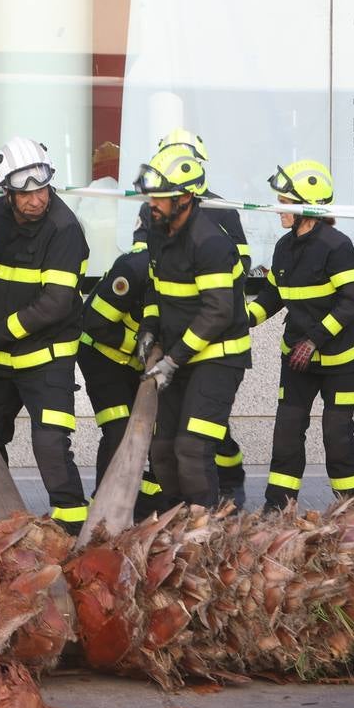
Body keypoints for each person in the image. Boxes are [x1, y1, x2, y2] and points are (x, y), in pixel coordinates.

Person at [0, 136, 89, 533]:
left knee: (50, 444)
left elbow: (55, 304)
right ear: (7, 192)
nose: (37, 200)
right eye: (26, 193)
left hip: (47, 358)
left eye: (43, 189)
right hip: (0, 358)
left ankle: (71, 524)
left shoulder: (65, 229)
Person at [133, 129, 249, 507]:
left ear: (185, 198)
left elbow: (218, 311)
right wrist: (149, 329)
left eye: (161, 198)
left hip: (218, 356)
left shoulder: (210, 242)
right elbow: (154, 288)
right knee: (163, 447)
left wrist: (172, 359)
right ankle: (174, 529)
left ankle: (204, 535)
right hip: (178, 354)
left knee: (192, 448)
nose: (152, 204)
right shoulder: (157, 231)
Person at [248, 160, 354, 510]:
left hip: (339, 364)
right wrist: (240, 319)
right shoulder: (284, 247)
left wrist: (314, 339)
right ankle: (277, 509)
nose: (278, 209)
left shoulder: (336, 246)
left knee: (337, 437)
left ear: (307, 209)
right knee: (286, 434)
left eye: (285, 203)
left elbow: (350, 300)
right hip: (297, 361)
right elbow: (271, 297)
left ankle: (351, 510)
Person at [77, 243, 163, 516]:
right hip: (101, 356)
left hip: (138, 363)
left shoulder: (187, 273)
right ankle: (103, 507)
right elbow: (94, 322)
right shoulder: (133, 270)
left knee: (154, 432)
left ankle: (142, 501)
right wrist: (137, 348)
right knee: (118, 429)